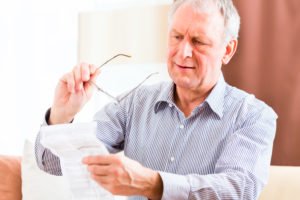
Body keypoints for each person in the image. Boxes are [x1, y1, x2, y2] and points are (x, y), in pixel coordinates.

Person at [35, 0, 277, 199]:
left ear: (227, 50)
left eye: (198, 41)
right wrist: (61, 115)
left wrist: (152, 183)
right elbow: (51, 164)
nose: (183, 52)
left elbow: (238, 190)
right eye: (177, 37)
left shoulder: (254, 116)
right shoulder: (134, 103)